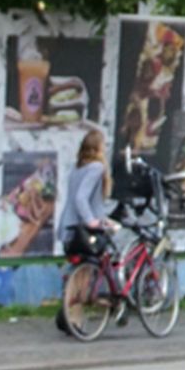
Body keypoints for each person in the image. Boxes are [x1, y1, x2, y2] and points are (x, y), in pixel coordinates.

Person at [55, 130, 114, 334]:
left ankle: (69, 316)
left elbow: (87, 201)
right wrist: (93, 222)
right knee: (85, 276)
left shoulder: (77, 167)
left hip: (68, 228)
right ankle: (75, 320)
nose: (105, 149)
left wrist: (103, 219)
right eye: (103, 145)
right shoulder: (97, 167)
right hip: (83, 229)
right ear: (97, 148)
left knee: (76, 274)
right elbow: (82, 198)